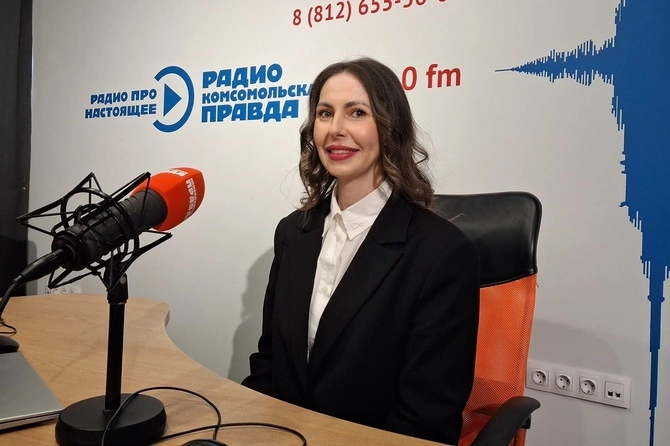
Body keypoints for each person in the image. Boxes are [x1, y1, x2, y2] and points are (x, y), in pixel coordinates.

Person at [242, 57, 479, 445]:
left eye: (357, 112)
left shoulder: (442, 253)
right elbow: (270, 362)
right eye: (325, 113)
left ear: (390, 127)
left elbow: (426, 419)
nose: (336, 129)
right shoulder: (292, 233)